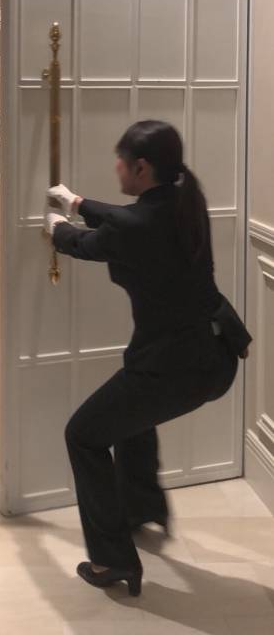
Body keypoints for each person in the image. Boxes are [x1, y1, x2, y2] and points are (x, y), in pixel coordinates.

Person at [45, 120, 252, 598]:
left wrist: (57, 227)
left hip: (173, 367)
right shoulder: (184, 200)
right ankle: (141, 507)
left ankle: (112, 560)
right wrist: (76, 202)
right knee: (129, 417)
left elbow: (86, 242)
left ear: (140, 167)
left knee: (83, 435)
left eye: (120, 162)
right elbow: (123, 217)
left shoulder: (135, 227)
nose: (115, 168)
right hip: (215, 355)